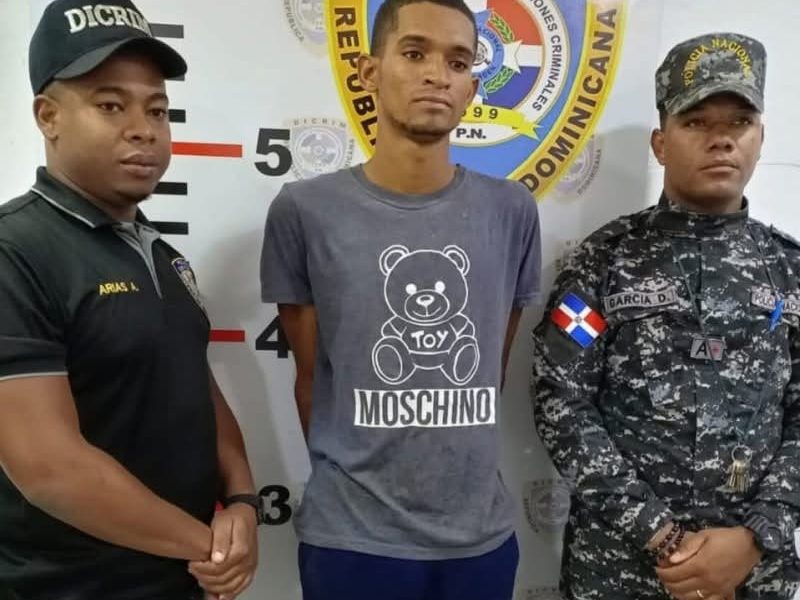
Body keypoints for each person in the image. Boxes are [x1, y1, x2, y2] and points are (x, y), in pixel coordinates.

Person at [260, 1, 541, 598]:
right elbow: (312, 377)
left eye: (458, 62)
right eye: (414, 53)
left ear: (472, 88)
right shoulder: (304, 211)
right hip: (351, 540)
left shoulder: (512, 211)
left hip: (479, 542)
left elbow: (490, 366)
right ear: (369, 71)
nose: (437, 74)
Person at [0, 1, 259, 598]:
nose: (143, 129)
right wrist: (210, 547)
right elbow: (49, 469)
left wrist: (244, 499)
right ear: (48, 116)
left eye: (157, 109)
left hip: (181, 579)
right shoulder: (15, 250)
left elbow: (196, 386)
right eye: (110, 105)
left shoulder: (161, 253)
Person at [531, 32, 800, 600]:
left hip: (752, 576)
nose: (721, 139)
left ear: (760, 138)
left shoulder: (790, 269)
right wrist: (662, 537)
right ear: (660, 142)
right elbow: (561, 402)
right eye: (696, 122)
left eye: (739, 123)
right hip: (621, 571)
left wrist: (757, 537)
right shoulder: (603, 262)